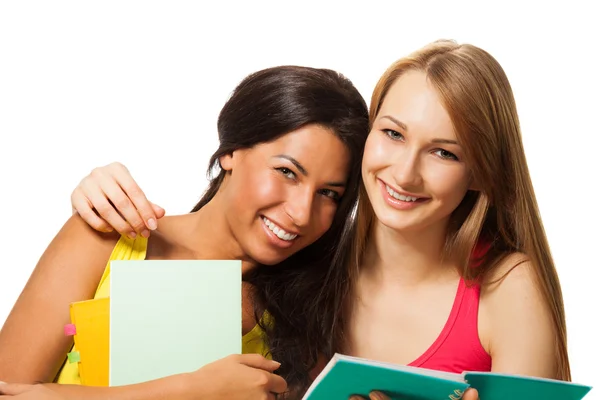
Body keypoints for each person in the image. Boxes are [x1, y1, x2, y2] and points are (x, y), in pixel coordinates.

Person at [63, 39, 570, 399]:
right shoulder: (307, 269)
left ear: (481, 170)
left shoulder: (506, 285)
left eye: (443, 152)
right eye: (393, 134)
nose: (405, 173)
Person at [0, 65, 370, 399]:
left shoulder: (307, 310)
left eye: (328, 194)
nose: (302, 214)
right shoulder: (105, 237)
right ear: (231, 152)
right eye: (287, 172)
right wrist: (190, 389)